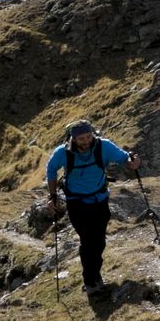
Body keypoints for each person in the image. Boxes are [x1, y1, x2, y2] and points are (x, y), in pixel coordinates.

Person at [46, 118, 139, 293]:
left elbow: (123, 158)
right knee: (88, 241)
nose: (86, 141)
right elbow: (51, 169)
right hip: (76, 203)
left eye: (89, 137)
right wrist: (52, 196)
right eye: (81, 139)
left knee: (99, 242)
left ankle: (95, 275)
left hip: (100, 200)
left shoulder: (104, 146)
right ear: (73, 139)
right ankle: (90, 282)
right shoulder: (63, 152)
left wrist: (131, 162)